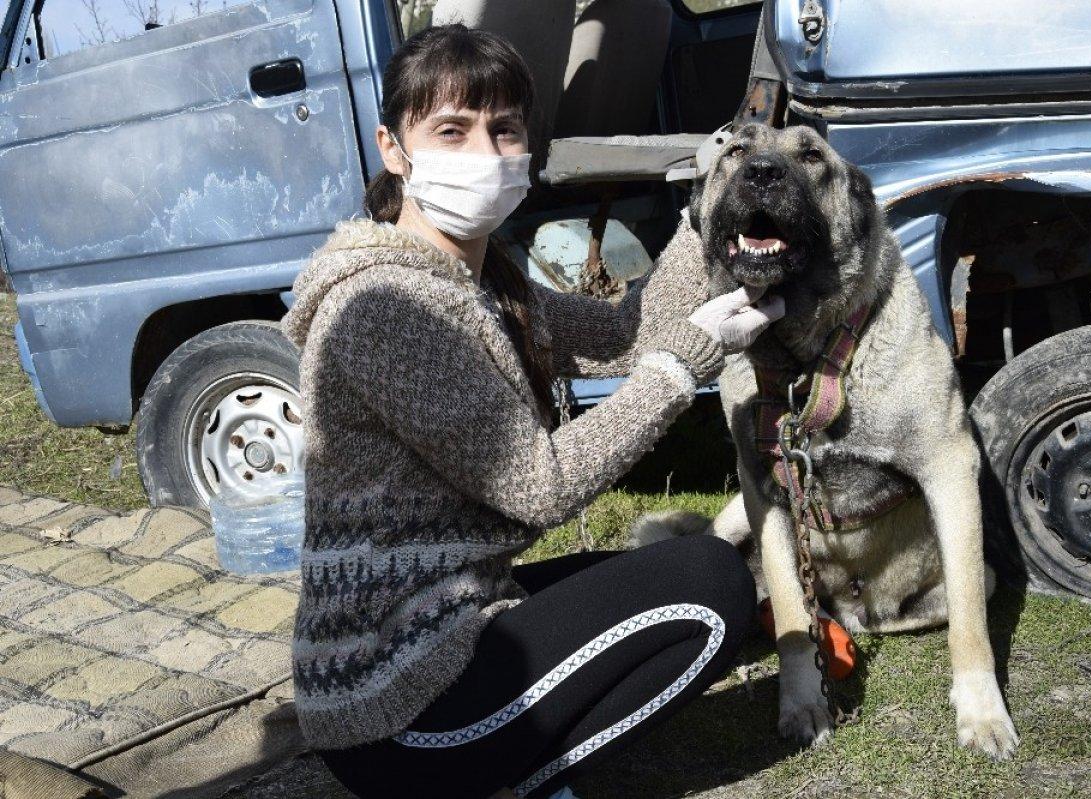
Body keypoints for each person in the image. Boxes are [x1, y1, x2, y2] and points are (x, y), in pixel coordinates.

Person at [280, 23, 784, 799]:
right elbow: (539, 485)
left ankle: (509, 770)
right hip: (394, 708)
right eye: (451, 130)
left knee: (648, 582)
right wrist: (687, 364)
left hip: (447, 624)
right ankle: (509, 783)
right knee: (712, 586)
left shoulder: (481, 280)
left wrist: (700, 215)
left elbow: (622, 336)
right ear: (394, 148)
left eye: (503, 129)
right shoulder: (387, 305)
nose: (483, 153)